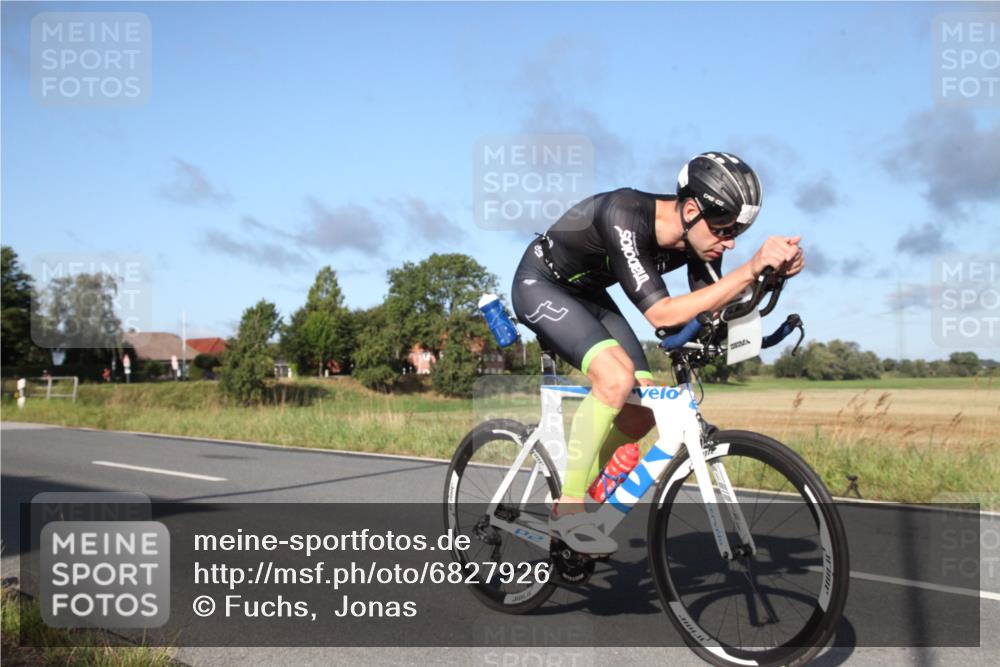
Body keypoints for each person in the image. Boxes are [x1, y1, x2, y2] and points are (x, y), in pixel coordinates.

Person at [510, 151, 805, 554]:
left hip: (591, 295)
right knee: (614, 378)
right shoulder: (625, 214)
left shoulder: (698, 242)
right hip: (541, 283)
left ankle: (581, 487)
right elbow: (662, 314)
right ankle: (569, 508)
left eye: (737, 230)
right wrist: (751, 267)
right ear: (689, 209)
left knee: (642, 409)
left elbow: (713, 307)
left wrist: (770, 279)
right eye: (723, 227)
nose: (730, 240)